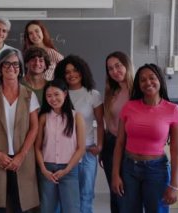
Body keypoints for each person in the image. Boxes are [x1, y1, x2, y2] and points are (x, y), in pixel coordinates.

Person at [112, 64, 178, 213]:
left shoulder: (173, 110)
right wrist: (115, 174)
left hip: (156, 170)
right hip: (128, 169)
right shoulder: (129, 107)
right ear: (138, 84)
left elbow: (176, 151)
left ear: (160, 80)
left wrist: (174, 186)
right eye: (143, 80)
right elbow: (119, 143)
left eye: (152, 78)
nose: (148, 82)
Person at [0, 49, 40, 212]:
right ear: (0, 67)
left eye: (15, 64)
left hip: (22, 159)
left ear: (20, 68)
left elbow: (34, 127)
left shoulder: (29, 95)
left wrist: (21, 155)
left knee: (20, 204)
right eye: (7, 63)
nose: (11, 67)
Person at [54, 55, 104, 213]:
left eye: (75, 70)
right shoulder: (59, 94)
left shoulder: (93, 94)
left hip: (87, 151)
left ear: (82, 71)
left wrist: (100, 145)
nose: (71, 74)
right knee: (65, 195)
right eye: (67, 72)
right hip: (64, 151)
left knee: (86, 193)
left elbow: (101, 123)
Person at [35, 79, 86, 213]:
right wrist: (43, 170)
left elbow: (81, 148)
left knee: (72, 209)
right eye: (49, 96)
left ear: (65, 94)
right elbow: (38, 147)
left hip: (69, 170)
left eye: (56, 94)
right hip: (47, 170)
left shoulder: (77, 117)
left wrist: (67, 169)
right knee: (47, 209)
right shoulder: (43, 117)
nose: (53, 99)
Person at [101, 51, 134, 213]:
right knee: (116, 193)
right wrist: (103, 149)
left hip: (132, 148)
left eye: (118, 66)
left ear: (127, 65)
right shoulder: (111, 93)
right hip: (112, 146)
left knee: (129, 195)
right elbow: (108, 124)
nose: (115, 71)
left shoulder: (139, 91)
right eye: (110, 68)